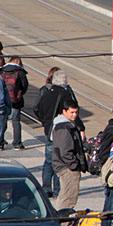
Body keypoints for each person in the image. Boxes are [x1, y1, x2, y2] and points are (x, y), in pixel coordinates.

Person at [35, 69, 83, 197]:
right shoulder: (64, 93)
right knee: (59, 161)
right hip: (60, 131)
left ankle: (46, 189)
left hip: (48, 130)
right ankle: (57, 190)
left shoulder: (46, 91)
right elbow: (74, 111)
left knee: (48, 160)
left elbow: (37, 109)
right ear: (64, 81)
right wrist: (80, 128)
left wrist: (45, 122)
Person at [52, 99, 87, 210]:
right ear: (64, 111)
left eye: (76, 112)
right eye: (72, 112)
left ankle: (61, 220)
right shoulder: (64, 128)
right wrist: (74, 165)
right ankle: (64, 223)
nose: (74, 115)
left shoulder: (66, 125)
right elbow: (65, 151)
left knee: (65, 196)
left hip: (66, 166)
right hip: (67, 168)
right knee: (68, 198)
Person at [0, 56, 28, 149]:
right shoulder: (20, 72)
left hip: (3, 100)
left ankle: (1, 142)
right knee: (16, 121)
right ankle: (17, 143)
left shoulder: (2, 70)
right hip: (16, 100)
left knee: (2, 120)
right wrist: (19, 94)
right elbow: (24, 86)